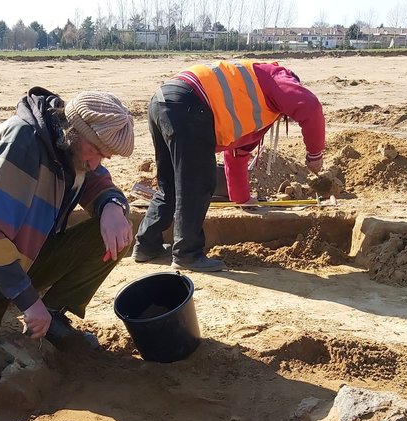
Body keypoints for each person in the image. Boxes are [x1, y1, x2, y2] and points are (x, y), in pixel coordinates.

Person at [0, 88, 135, 403]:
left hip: (23, 256)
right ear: (75, 132)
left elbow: (96, 180)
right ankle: (19, 311)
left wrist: (111, 206)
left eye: (104, 157)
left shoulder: (70, 149)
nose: (97, 163)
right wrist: (28, 301)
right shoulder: (23, 144)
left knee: (117, 231)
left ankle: (51, 314)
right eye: (97, 152)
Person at [133, 60, 326, 272]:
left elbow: (236, 156)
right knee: (198, 183)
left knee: (169, 184)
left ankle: (147, 245)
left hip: (163, 101)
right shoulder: (277, 77)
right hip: (190, 104)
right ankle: (187, 253)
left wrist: (242, 198)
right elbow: (310, 106)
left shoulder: (250, 101)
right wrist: (315, 155)